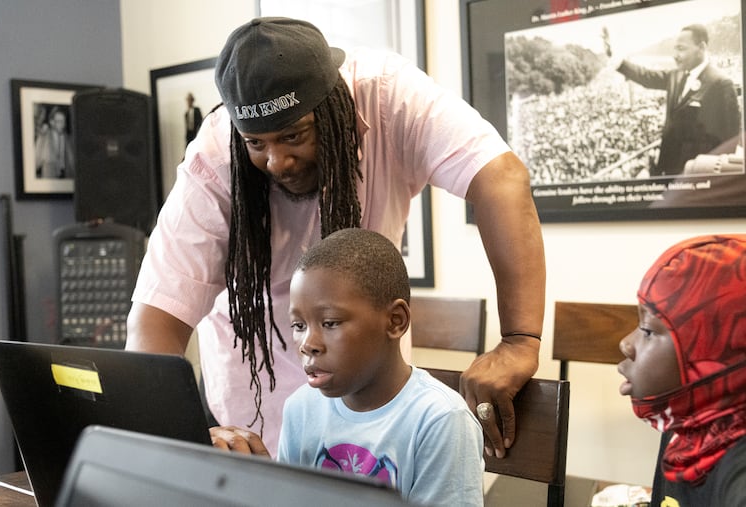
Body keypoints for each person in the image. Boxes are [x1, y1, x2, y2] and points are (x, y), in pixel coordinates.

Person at [126, 17, 545, 458]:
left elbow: (500, 177)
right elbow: (156, 317)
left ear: (331, 109)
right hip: (254, 431)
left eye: (293, 135)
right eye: (256, 143)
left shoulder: (388, 97)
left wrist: (520, 340)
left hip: (374, 417)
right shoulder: (215, 158)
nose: (277, 162)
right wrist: (177, 431)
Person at [213, 228, 484, 506]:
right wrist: (262, 483)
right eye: (298, 326)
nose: (308, 344)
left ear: (395, 321)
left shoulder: (440, 420)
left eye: (330, 323)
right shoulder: (301, 408)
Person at [617, 234, 746, 506]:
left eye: (648, 331)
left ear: (714, 353)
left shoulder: (738, 476)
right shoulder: (691, 420)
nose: (626, 344)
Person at [613, 24, 741, 177]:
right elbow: (646, 76)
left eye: (681, 49)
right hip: (668, 169)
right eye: (675, 49)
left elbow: (730, 140)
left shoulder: (721, 83)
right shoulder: (675, 75)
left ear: (701, 47)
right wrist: (617, 60)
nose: (675, 55)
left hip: (696, 175)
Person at [34, 105, 75, 179]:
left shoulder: (69, 139)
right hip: (49, 178)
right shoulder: (44, 137)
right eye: (59, 121)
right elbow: (36, 162)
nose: (63, 125)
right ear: (52, 122)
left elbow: (72, 163)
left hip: (66, 178)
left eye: (64, 121)